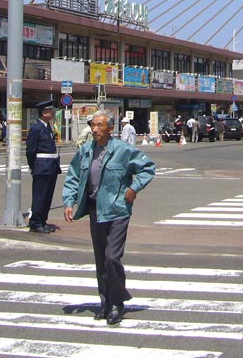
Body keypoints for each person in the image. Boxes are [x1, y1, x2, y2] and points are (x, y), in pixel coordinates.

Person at [63, 109, 156, 325]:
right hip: (96, 210)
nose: (95, 129)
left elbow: (147, 168)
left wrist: (133, 188)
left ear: (110, 129)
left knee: (112, 257)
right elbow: (74, 176)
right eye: (93, 125)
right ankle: (105, 302)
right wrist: (69, 201)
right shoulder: (86, 150)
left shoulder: (123, 150)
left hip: (118, 210)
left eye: (99, 126)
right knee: (100, 260)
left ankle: (117, 303)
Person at [26, 100, 61, 233]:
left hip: (50, 166)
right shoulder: (36, 128)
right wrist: (33, 166)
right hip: (41, 167)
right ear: (44, 112)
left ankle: (42, 220)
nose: (52, 112)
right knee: (40, 196)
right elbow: (30, 150)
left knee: (47, 196)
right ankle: (35, 222)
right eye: (50, 110)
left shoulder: (47, 127)